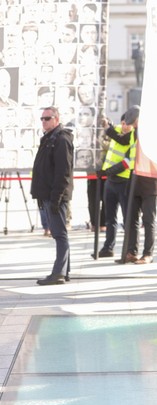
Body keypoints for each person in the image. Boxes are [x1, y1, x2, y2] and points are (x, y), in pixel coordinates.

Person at [108, 106, 157, 265]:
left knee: (148, 219)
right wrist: (108, 129)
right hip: (135, 179)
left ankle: (148, 254)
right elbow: (124, 144)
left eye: (134, 122)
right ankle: (131, 252)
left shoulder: (153, 132)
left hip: (151, 180)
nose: (133, 125)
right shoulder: (133, 134)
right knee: (131, 218)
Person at [31, 107, 74, 285]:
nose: (43, 121)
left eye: (47, 118)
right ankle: (65, 271)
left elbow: (63, 173)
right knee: (59, 233)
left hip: (56, 196)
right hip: (48, 194)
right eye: (42, 119)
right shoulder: (50, 137)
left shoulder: (61, 139)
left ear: (56, 119)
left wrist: (56, 198)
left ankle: (58, 273)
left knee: (59, 234)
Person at [93, 111, 135, 258]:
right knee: (110, 217)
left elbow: (123, 142)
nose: (124, 127)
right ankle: (108, 247)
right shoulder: (116, 130)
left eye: (128, 124)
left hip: (124, 181)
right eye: (123, 123)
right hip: (110, 181)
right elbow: (108, 149)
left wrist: (108, 128)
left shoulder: (133, 136)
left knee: (126, 217)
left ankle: (129, 249)